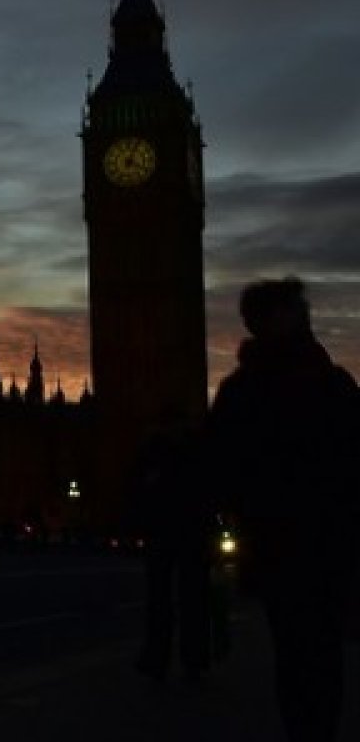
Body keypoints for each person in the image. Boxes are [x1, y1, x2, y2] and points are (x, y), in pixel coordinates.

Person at [208, 278, 360, 742]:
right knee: (308, 651)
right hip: (298, 540)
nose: (303, 312)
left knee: (304, 650)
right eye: (292, 307)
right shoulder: (324, 384)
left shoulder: (250, 389)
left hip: (306, 540)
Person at [131, 425, 213, 680]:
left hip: (164, 529)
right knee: (192, 596)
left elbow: (138, 485)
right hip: (190, 528)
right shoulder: (197, 445)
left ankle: (158, 657)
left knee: (160, 597)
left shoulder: (155, 446)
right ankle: (193, 658)